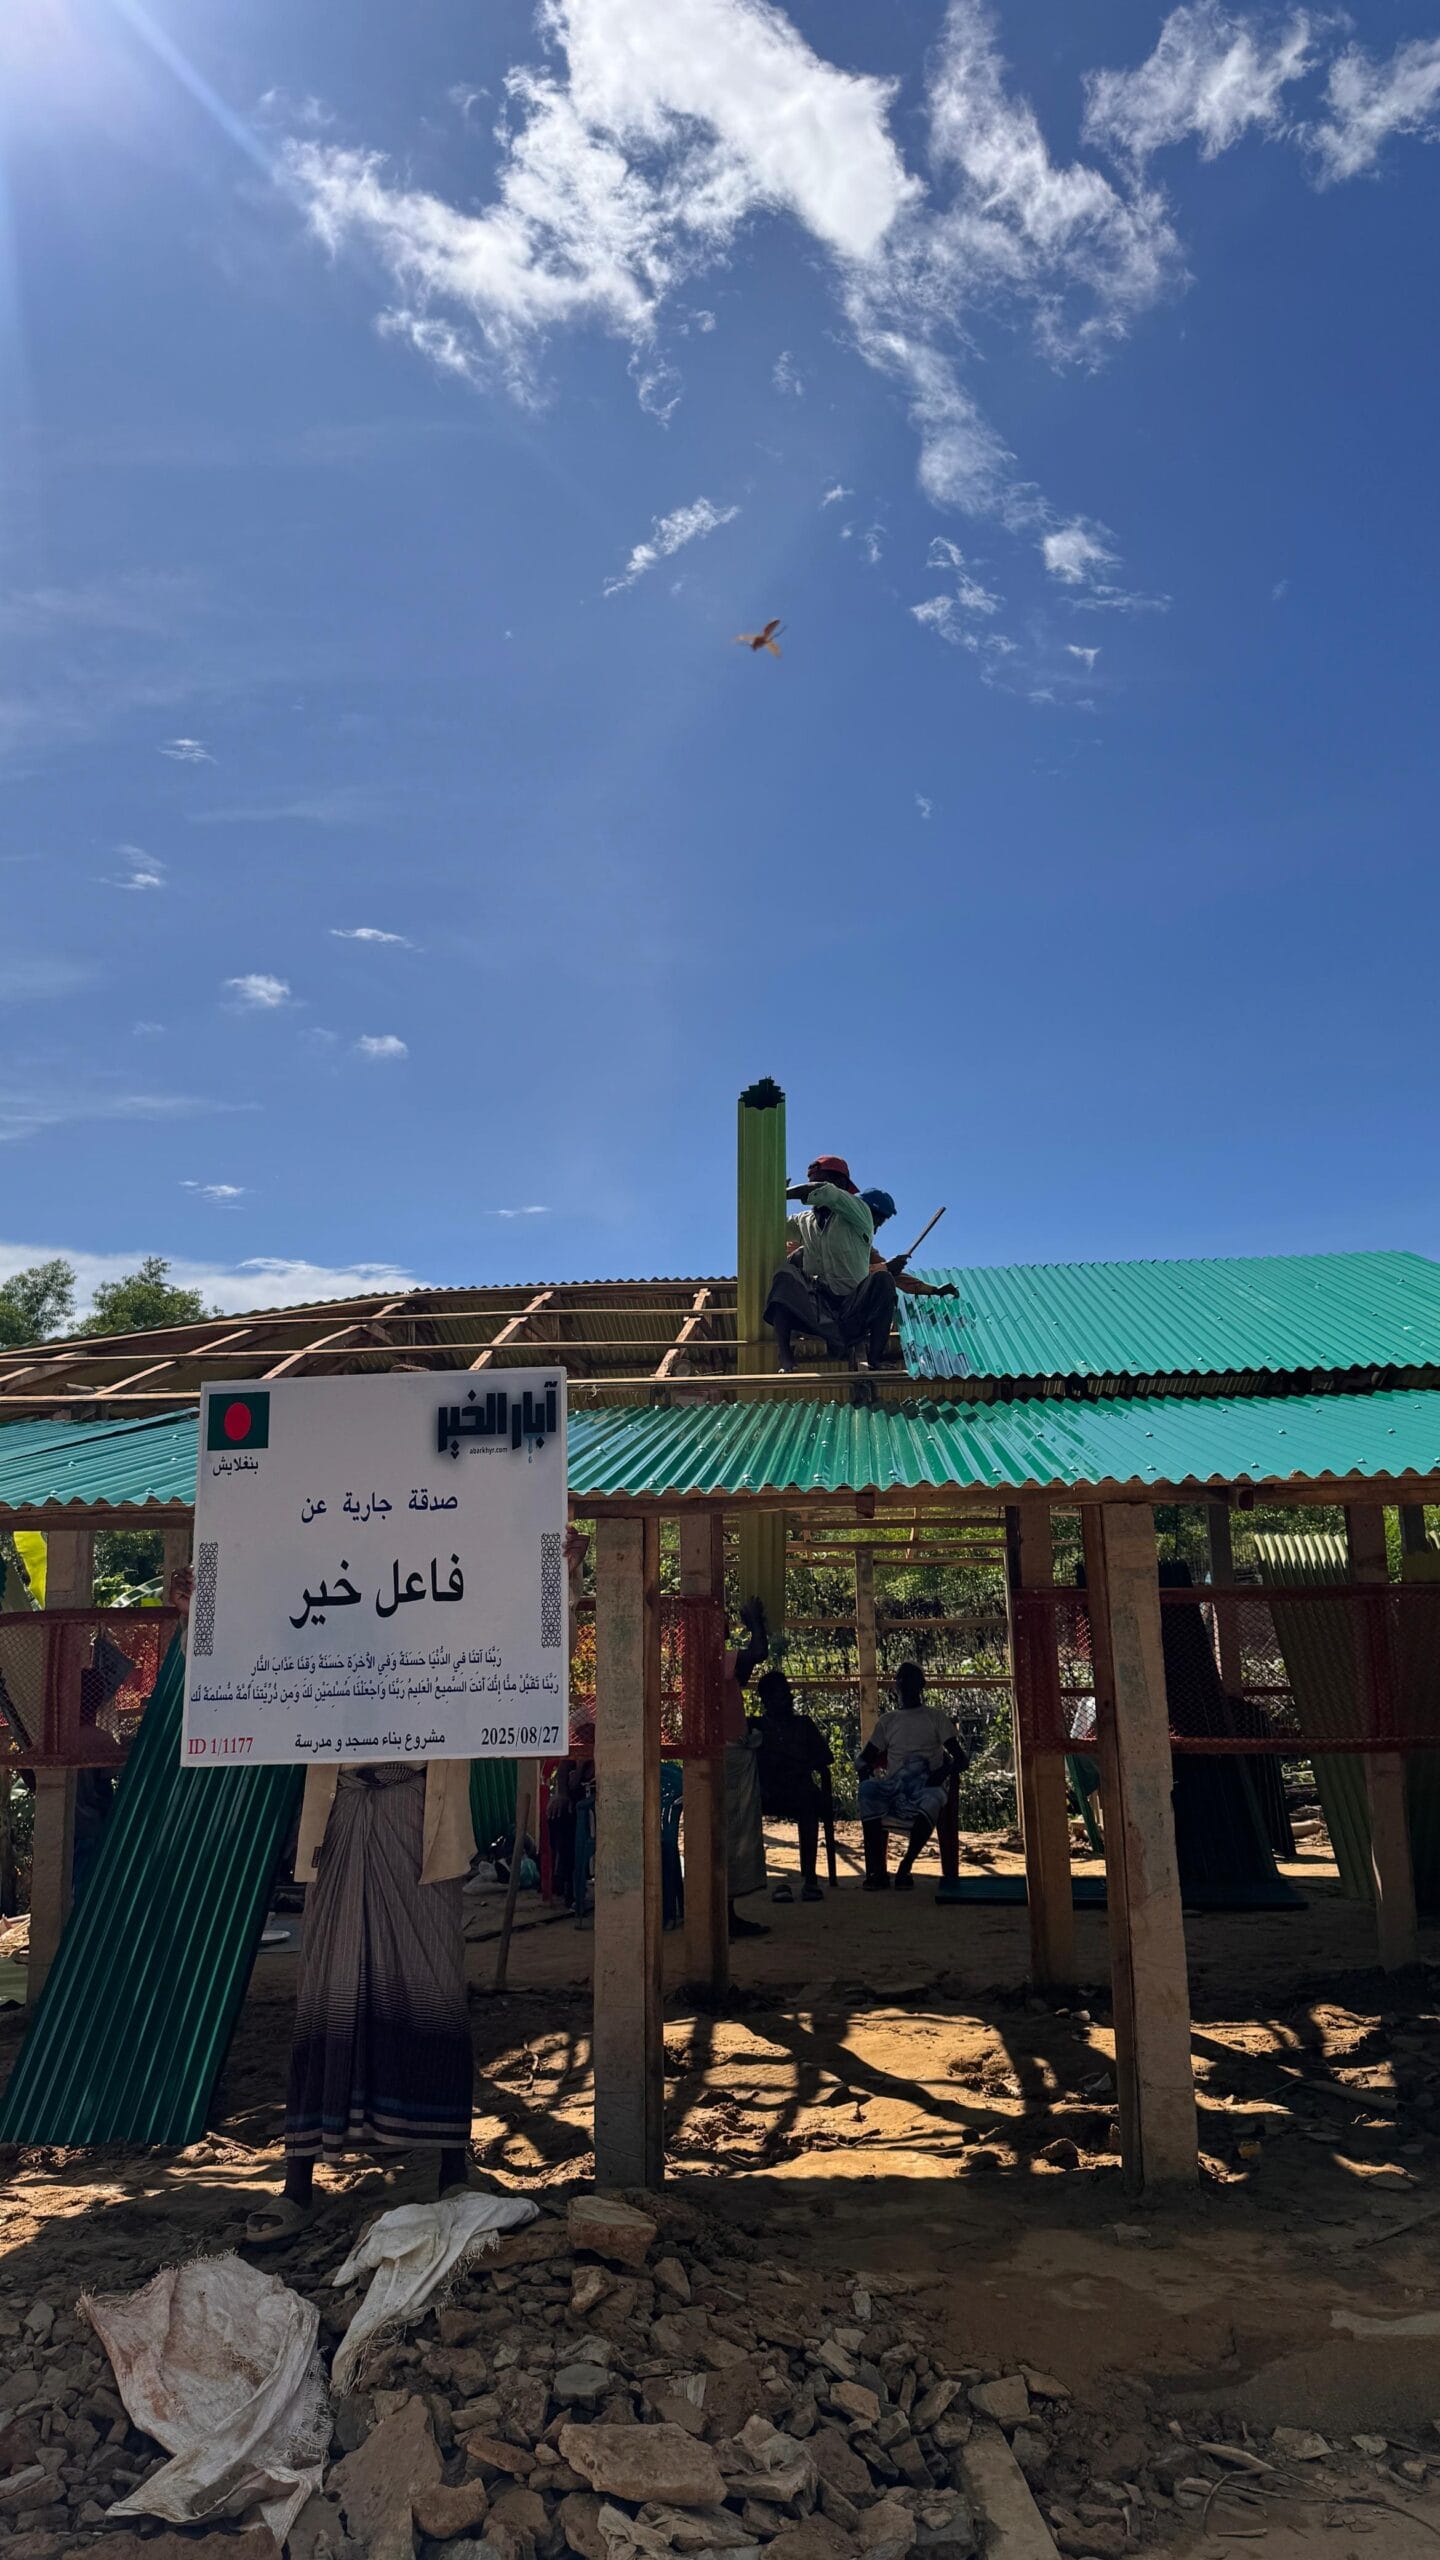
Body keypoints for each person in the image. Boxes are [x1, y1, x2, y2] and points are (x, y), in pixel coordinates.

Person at [765, 1156, 894, 1372]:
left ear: (841, 1184)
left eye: (820, 1180)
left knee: (883, 1280)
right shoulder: (804, 1220)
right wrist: (771, 1204)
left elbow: (826, 1192)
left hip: (854, 1307)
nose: (814, 1186)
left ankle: (875, 1359)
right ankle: (786, 1358)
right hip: (820, 1307)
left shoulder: (858, 1210)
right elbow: (772, 1227)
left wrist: (781, 1193)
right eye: (812, 1181)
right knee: (785, 1274)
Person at [858, 1661, 968, 1892]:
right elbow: (865, 1757)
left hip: (928, 1786)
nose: (905, 1684)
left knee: (933, 1800)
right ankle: (878, 1871)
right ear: (896, 1686)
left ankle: (906, 1865)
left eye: (910, 1680)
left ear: (921, 1685)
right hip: (895, 1786)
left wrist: (941, 1773)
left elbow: (961, 1759)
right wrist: (865, 1772)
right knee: (867, 1791)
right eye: (901, 1679)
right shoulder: (888, 1721)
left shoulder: (935, 1718)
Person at [752, 1668, 831, 1902]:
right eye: (780, 1695)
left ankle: (810, 1877)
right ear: (766, 1700)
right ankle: (755, 1875)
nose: (788, 1699)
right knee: (745, 1804)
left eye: (787, 1693)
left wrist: (802, 1764)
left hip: (798, 1787)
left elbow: (825, 1756)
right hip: (767, 1789)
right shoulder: (756, 1726)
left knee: (808, 1802)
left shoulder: (803, 1724)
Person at [724, 1596, 770, 1937]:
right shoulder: (717, 1657)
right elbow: (758, 1653)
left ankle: (724, 1911)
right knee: (734, 1832)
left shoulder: (714, 1660)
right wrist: (755, 1622)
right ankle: (725, 1913)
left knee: (729, 1831)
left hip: (730, 1752)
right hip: (730, 1756)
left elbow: (745, 1668)